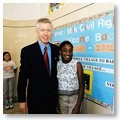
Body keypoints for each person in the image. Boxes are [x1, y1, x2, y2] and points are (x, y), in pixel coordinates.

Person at [17, 18, 59, 114]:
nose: (45, 33)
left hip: (52, 99)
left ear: (51, 32)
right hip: (35, 100)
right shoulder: (27, 51)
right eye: (42, 30)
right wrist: (22, 100)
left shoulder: (56, 49)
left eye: (48, 30)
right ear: (37, 31)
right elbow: (22, 78)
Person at [57, 41, 84, 114]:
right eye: (65, 50)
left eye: (70, 51)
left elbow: (82, 86)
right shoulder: (57, 65)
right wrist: (57, 103)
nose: (68, 53)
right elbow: (55, 85)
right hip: (61, 100)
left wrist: (78, 105)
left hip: (74, 100)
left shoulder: (77, 64)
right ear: (60, 52)